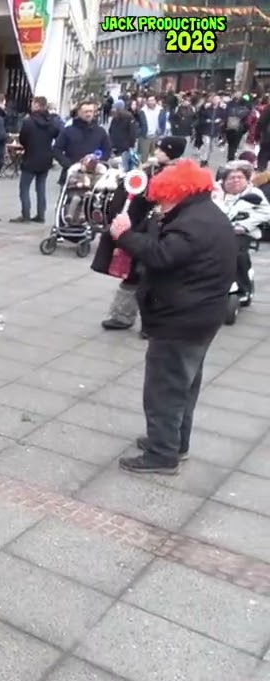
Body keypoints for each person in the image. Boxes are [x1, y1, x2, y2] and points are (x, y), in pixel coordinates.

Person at [109, 159, 237, 474]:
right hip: (200, 315)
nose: (160, 204)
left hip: (181, 317)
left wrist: (124, 236)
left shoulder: (192, 224)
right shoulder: (205, 214)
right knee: (185, 384)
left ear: (177, 192)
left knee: (164, 389)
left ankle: (162, 454)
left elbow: (161, 255)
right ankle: (174, 442)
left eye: (163, 197)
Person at [93, 136, 187, 335]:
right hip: (139, 228)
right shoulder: (147, 170)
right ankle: (121, 316)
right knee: (133, 273)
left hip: (163, 230)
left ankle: (152, 323)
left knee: (154, 277)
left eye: (162, 149)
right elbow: (129, 192)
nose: (157, 151)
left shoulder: (182, 174)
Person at [213, 160, 270, 305]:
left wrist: (244, 225)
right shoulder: (214, 193)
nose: (236, 180)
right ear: (224, 179)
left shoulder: (254, 194)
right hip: (214, 231)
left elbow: (266, 213)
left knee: (237, 253)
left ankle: (244, 288)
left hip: (241, 232)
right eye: (232, 178)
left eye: (240, 177)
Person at [14, 96, 61, 224]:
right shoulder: (51, 121)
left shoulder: (29, 122)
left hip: (31, 157)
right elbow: (57, 133)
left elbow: (23, 139)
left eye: (33, 103)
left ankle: (26, 214)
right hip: (46, 158)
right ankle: (41, 215)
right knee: (40, 188)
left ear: (37, 105)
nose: (31, 105)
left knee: (24, 187)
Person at [54, 101, 113, 185]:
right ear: (79, 112)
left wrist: (98, 162)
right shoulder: (68, 131)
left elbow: (107, 149)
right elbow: (57, 150)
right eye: (86, 111)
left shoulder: (100, 131)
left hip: (96, 176)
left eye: (91, 111)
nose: (89, 114)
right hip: (72, 174)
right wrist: (69, 164)